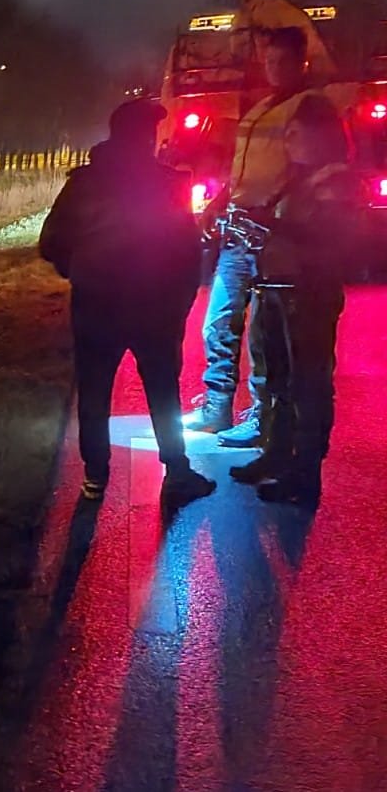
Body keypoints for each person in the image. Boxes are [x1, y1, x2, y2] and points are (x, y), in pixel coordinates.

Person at [40, 99, 215, 502]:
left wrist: (80, 271)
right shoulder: (168, 183)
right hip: (154, 303)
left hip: (96, 303)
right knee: (162, 388)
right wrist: (181, 299)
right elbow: (188, 250)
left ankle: (95, 477)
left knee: (95, 389)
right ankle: (177, 471)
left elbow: (51, 242)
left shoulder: (84, 182)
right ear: (147, 139)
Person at [187, 26, 327, 446]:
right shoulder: (262, 107)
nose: (274, 68)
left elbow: (308, 168)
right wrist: (218, 202)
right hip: (239, 232)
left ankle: (263, 417)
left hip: (275, 239)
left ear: (301, 62)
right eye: (269, 61)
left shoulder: (309, 107)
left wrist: (275, 208)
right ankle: (217, 406)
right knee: (218, 323)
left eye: (282, 61)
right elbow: (243, 169)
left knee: (265, 337)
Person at [228, 95, 363, 504]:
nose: (288, 141)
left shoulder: (336, 180)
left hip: (309, 293)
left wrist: (271, 225)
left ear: (321, 137)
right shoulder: (296, 178)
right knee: (277, 379)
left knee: (308, 385)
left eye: (296, 133)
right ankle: (276, 454)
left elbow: (330, 237)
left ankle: (305, 474)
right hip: (276, 289)